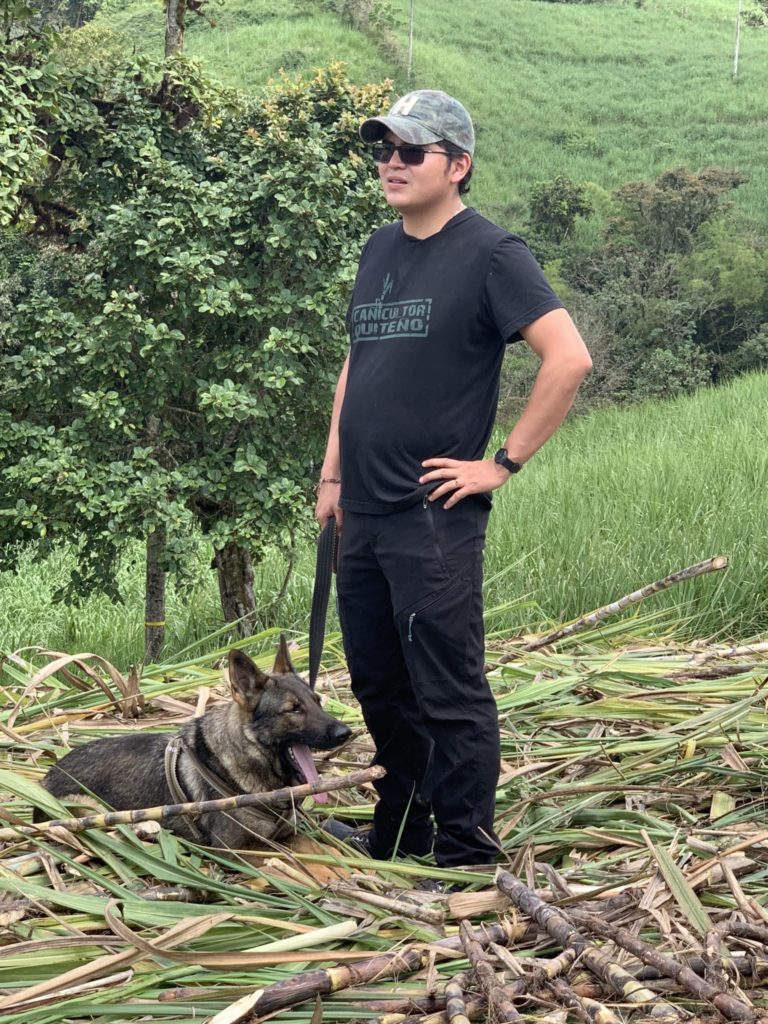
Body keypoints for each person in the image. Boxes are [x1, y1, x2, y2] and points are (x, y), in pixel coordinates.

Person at [315, 89, 592, 873]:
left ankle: (467, 846)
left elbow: (568, 358)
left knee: (447, 685)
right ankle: (401, 829)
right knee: (377, 681)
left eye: (412, 151)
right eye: (384, 150)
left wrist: (500, 465)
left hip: (432, 511)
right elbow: (356, 364)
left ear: (458, 165)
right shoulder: (379, 248)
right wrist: (333, 470)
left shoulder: (492, 253)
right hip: (362, 507)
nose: (391, 164)